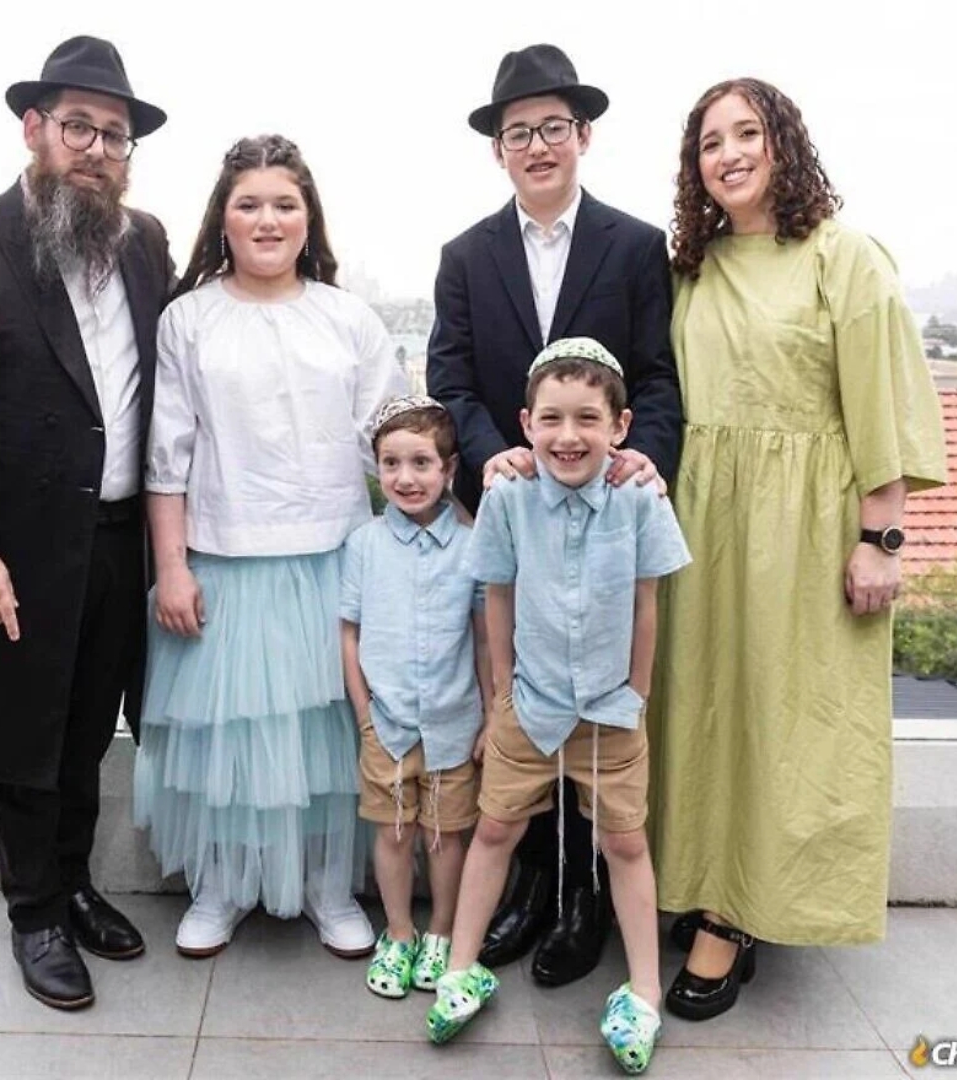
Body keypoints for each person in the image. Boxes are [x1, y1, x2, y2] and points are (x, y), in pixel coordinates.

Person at [648, 78, 947, 1023]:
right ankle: (705, 879)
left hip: (805, 530)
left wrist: (880, 540)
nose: (729, 154)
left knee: (785, 720)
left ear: (784, 143)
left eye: (747, 133)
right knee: (703, 709)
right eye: (710, 142)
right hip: (703, 523)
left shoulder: (842, 257)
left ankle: (735, 916)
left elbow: (882, 403)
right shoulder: (692, 267)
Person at [0, 36, 173, 1010]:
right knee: (23, 739)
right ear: (34, 129)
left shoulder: (144, 244)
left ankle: (76, 882)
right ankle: (35, 914)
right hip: (9, 554)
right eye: (79, 127)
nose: (97, 148)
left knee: (88, 729)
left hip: (118, 543)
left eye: (115, 135)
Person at [427, 42, 684, 988]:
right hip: (517, 514)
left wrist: (646, 458)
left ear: (584, 136)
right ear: (497, 149)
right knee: (524, 711)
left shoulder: (635, 245)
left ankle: (584, 908)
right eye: (517, 132)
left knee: (596, 714)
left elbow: (655, 376)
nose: (536, 145)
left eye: (552, 128)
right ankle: (528, 890)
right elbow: (450, 377)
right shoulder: (465, 256)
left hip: (605, 518)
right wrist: (489, 449)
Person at [134, 134, 407, 959]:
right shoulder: (188, 320)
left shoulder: (348, 318)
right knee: (231, 744)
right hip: (222, 564)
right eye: (248, 203)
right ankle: (220, 886)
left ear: (308, 217)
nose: (267, 220)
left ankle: (330, 887)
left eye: (285, 204)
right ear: (222, 217)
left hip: (333, 561)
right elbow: (167, 457)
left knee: (329, 740)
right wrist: (172, 568)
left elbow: (391, 443)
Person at [427, 338, 690, 1075]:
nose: (568, 436)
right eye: (551, 419)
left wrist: (636, 693)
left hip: (611, 710)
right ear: (526, 423)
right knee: (496, 828)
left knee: (626, 842)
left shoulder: (639, 499)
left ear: (621, 425)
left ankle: (643, 990)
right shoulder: (508, 497)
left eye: (587, 418)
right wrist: (502, 695)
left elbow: (646, 602)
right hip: (530, 705)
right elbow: (497, 597)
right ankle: (461, 969)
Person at [340, 396, 491, 999]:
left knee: (446, 835)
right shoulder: (364, 545)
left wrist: (491, 715)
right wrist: (365, 715)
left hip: (455, 722)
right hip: (389, 722)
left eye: (421, 463)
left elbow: (484, 638)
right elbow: (349, 633)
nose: (406, 477)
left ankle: (442, 932)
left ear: (448, 468)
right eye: (392, 463)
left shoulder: (472, 544)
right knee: (395, 832)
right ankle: (399, 933)